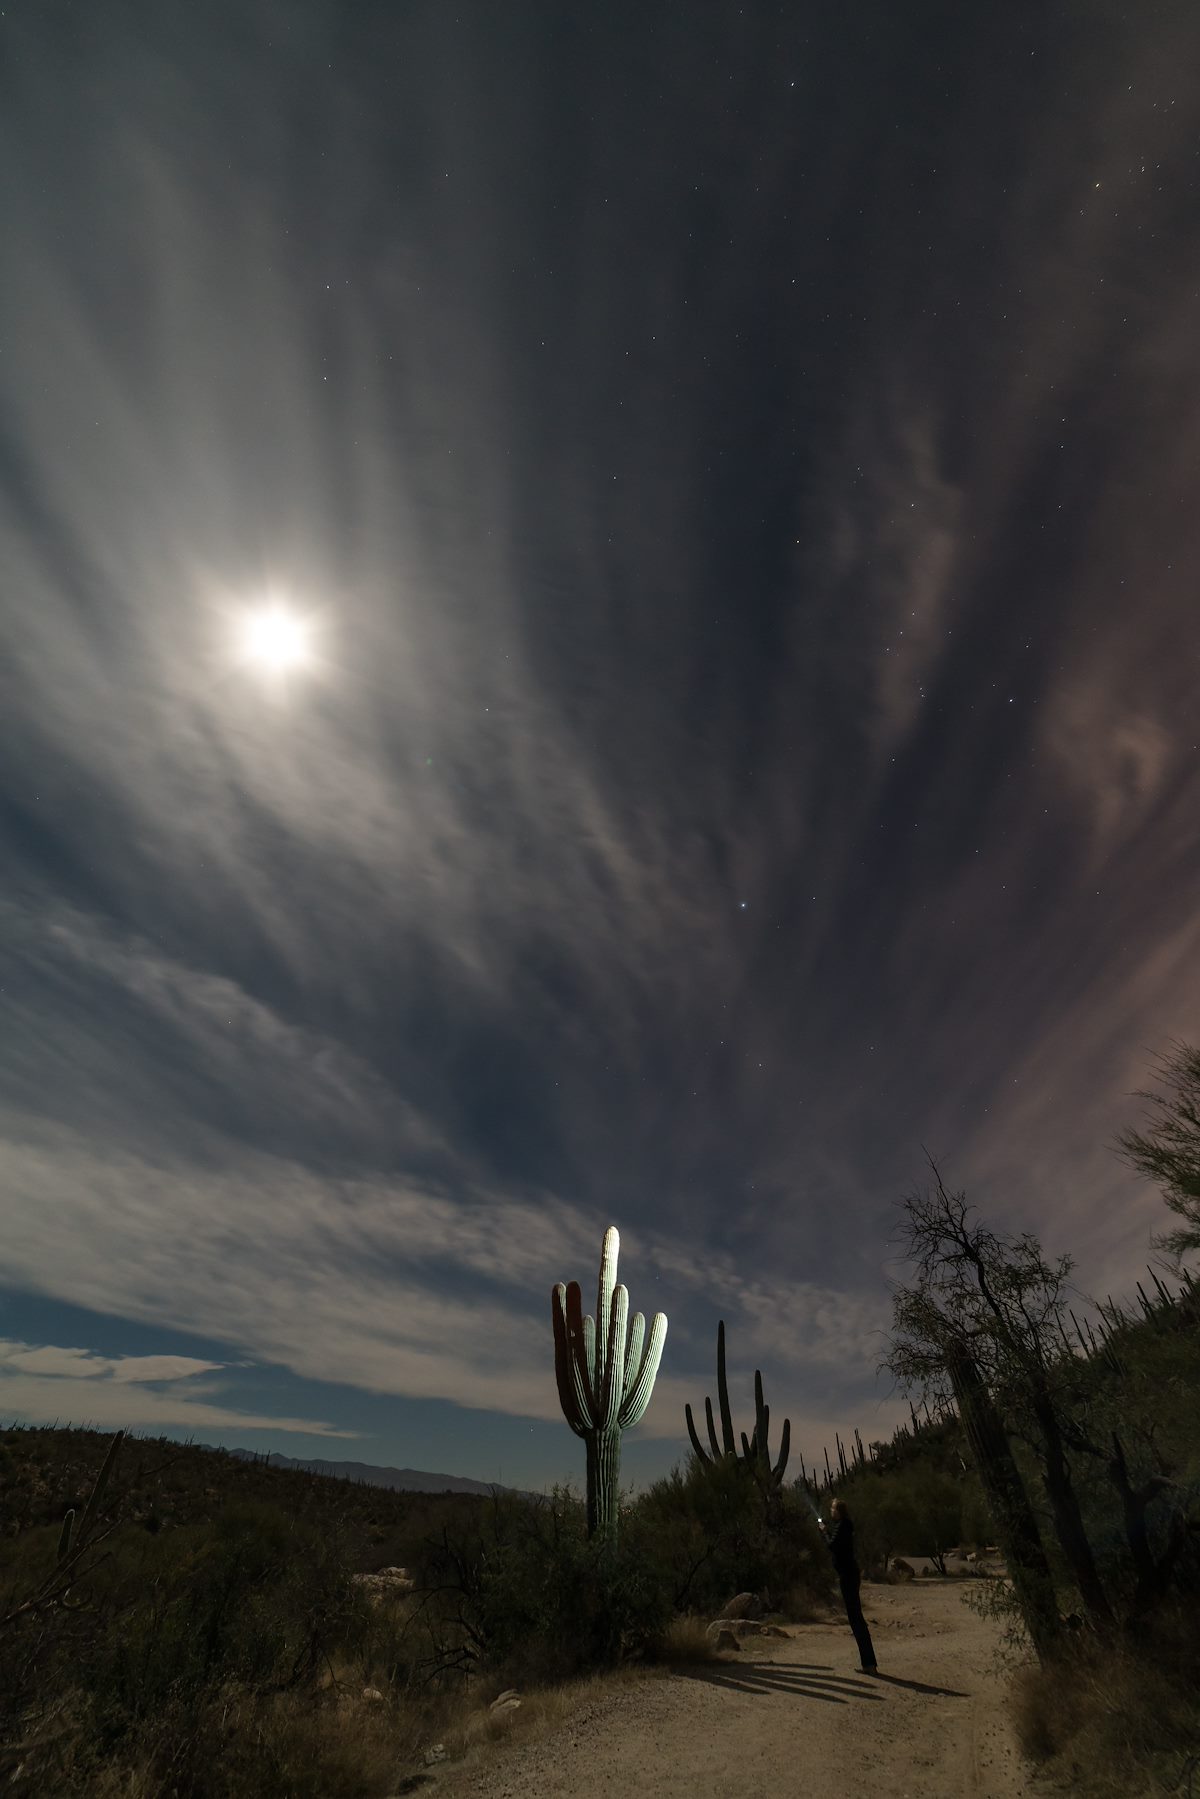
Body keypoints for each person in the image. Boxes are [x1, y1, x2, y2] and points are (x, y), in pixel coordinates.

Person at [823, 1497, 878, 1673]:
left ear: (838, 1511)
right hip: (849, 1574)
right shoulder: (844, 1526)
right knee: (856, 1617)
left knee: (856, 1618)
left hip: (848, 1575)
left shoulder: (843, 1526)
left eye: (833, 1509)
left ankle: (869, 1663)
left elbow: (832, 1545)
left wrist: (823, 1532)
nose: (831, 1511)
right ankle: (868, 1663)